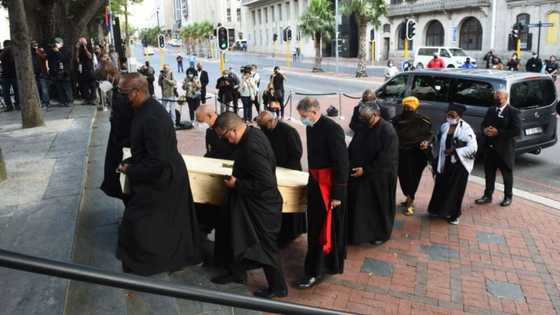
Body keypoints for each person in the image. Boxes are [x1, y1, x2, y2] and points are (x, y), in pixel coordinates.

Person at [116, 73, 202, 275]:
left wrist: (131, 170)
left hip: (164, 178)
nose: (121, 97)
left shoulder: (153, 116)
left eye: (124, 93)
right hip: (159, 172)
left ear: (137, 93)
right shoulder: (144, 109)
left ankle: (155, 261)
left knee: (145, 219)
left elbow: (158, 161)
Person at [211, 112, 288, 299]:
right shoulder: (252, 134)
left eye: (225, 136)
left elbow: (266, 183)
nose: (226, 141)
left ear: (234, 129)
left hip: (262, 206)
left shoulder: (252, 146)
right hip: (249, 202)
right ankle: (237, 274)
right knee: (237, 235)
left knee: (266, 247)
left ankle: (279, 288)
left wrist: (237, 184)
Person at [296, 97, 349, 289]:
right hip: (316, 183)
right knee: (316, 226)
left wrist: (337, 194)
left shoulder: (333, 130)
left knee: (323, 229)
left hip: (329, 188)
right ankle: (323, 264)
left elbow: (342, 163)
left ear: (314, 112)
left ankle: (316, 270)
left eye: (304, 116)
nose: (303, 120)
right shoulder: (312, 126)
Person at [347, 101, 399, 245]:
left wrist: (366, 170)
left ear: (375, 115)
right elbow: (354, 146)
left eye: (365, 117)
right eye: (361, 117)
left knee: (377, 207)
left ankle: (379, 234)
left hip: (380, 176)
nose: (362, 120)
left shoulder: (387, 131)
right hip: (360, 172)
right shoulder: (364, 126)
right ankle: (357, 233)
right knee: (359, 205)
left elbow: (387, 158)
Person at [256, 111, 306, 245]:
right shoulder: (266, 129)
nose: (263, 129)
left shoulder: (288, 131)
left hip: (290, 170)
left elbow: (296, 153)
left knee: (291, 203)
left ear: (271, 121)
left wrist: (283, 168)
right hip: (275, 170)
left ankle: (293, 231)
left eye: (264, 126)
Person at [428, 103, 478, 225]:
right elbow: (438, 137)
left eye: (452, 115)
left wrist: (455, 151)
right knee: (441, 186)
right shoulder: (445, 126)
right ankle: (437, 210)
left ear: (459, 116)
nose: (449, 117)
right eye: (448, 114)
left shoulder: (466, 129)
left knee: (455, 190)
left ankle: (454, 215)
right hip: (445, 162)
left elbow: (473, 148)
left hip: (459, 165)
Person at [194, 105, 236, 237]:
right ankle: (204, 226)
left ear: (210, 116)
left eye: (202, 121)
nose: (202, 125)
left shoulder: (229, 127)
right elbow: (210, 152)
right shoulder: (210, 132)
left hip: (229, 175)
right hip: (214, 173)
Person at [476, 90, 521, 207]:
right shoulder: (491, 110)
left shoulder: (513, 112)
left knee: (506, 174)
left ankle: (508, 196)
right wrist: (485, 130)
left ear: (506, 98)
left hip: (504, 150)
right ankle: (487, 195)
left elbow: (516, 131)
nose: (497, 100)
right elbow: (483, 124)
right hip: (490, 149)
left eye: (499, 98)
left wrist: (498, 132)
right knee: (489, 174)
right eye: (495, 98)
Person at [393, 96, 433, 216]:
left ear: (415, 108)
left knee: (412, 180)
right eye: (405, 107)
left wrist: (426, 142)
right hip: (400, 154)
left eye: (410, 107)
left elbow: (430, 135)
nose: (407, 109)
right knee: (403, 179)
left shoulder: (423, 121)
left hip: (416, 156)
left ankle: (410, 202)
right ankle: (408, 198)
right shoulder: (396, 120)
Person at [100, 62, 134, 203]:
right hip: (120, 140)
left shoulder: (121, 92)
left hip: (122, 142)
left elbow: (122, 121)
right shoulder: (118, 89)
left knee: (123, 178)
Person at [47, 37, 73, 106]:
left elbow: (64, 59)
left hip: (64, 72)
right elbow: (50, 61)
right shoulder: (51, 51)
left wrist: (58, 51)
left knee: (66, 87)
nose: (56, 45)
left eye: (57, 43)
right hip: (55, 72)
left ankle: (69, 101)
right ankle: (62, 101)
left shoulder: (66, 50)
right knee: (59, 88)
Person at [75, 37, 97, 104]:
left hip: (89, 68)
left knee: (92, 84)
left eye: (83, 42)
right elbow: (77, 58)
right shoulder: (80, 49)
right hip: (83, 69)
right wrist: (77, 48)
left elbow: (90, 56)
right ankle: (86, 99)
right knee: (84, 85)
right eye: (81, 42)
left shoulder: (89, 47)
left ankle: (93, 99)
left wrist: (85, 48)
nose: (82, 43)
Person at [0, 40, 19, 111]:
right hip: (9, 75)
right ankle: (14, 105)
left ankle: (12, 105)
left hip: (8, 75)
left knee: (8, 92)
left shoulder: (13, 53)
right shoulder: (3, 52)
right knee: (9, 92)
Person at [31, 41, 50, 109]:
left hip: (42, 73)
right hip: (35, 73)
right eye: (33, 45)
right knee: (38, 88)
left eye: (36, 44)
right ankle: (40, 102)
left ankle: (46, 102)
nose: (35, 45)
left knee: (44, 88)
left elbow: (44, 58)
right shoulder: (30, 53)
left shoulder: (40, 51)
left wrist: (38, 51)